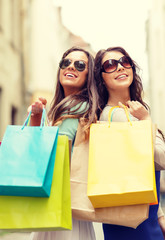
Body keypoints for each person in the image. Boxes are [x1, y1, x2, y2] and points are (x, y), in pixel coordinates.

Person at [94, 46, 165, 240]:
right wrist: (146, 120)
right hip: (136, 222)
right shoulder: (116, 116)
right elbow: (160, 159)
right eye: (110, 65)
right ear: (101, 78)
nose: (119, 67)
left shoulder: (127, 112)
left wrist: (159, 215)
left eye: (125, 62)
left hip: (138, 215)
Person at [29, 46, 98, 240]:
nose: (71, 67)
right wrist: (38, 117)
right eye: (65, 62)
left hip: (62, 202)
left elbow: (57, 158)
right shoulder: (63, 107)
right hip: (63, 202)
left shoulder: (77, 107)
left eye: (79, 64)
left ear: (88, 75)